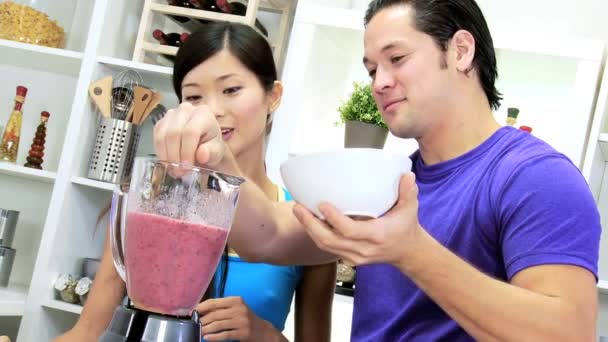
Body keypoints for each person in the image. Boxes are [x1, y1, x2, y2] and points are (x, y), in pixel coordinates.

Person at [153, 0, 602, 340]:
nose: (379, 82)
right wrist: (216, 159)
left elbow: (568, 332)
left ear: (461, 51)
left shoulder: (535, 177)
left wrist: (411, 251)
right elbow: (267, 234)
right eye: (371, 68)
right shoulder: (388, 182)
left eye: (397, 59)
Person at [56, 23, 336, 342]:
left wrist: (266, 335)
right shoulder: (152, 205)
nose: (212, 110)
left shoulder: (305, 229)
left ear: (273, 96)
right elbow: (88, 331)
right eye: (193, 96)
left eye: (231, 90)